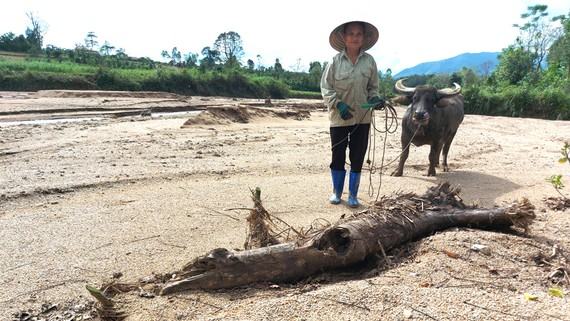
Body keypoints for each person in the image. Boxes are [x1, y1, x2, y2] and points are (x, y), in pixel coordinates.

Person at [320, 20, 385, 207]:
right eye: (351, 34)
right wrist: (338, 104)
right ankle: (337, 192)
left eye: (358, 34)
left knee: (357, 156)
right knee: (337, 156)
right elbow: (326, 88)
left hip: (362, 119)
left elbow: (373, 88)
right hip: (339, 119)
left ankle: (353, 195)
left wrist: (375, 99)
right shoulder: (334, 62)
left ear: (364, 38)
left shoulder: (370, 61)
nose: (355, 37)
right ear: (344, 37)